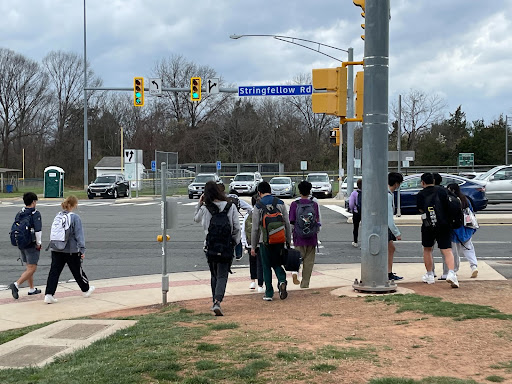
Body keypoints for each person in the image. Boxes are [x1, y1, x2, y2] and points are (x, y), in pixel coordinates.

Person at [194, 181, 241, 315]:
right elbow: (236, 227)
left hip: (210, 246)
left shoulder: (205, 208)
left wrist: (200, 203)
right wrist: (234, 242)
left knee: (214, 274)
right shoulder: (230, 206)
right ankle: (217, 301)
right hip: (226, 245)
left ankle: (214, 299)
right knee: (222, 274)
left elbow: (196, 219)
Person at [44, 196, 95, 303]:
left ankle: (49, 294)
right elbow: (79, 235)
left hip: (57, 248)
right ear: (74, 205)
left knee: (54, 271)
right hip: (71, 250)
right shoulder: (75, 217)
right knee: (77, 271)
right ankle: (85, 290)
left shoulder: (58, 216)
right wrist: (82, 249)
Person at [251, 181, 292, 301]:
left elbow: (255, 228)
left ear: (259, 192)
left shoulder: (258, 206)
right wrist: (288, 240)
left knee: (266, 265)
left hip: (265, 241)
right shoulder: (280, 203)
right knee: (277, 263)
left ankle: (269, 292)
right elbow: (287, 224)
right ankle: (282, 280)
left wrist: (253, 246)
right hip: (279, 239)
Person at [416, 173, 459, 288]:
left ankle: (430, 274)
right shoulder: (442, 191)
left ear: (423, 182)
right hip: (443, 223)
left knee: (427, 249)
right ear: (434, 181)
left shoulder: (421, 194)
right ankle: (451, 273)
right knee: (447, 250)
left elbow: (420, 209)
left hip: (428, 224)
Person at [8, 192, 42, 299]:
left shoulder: (20, 213)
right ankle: (16, 284)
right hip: (31, 243)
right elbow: (38, 231)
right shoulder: (35, 214)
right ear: (33, 202)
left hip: (21, 242)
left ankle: (32, 288)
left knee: (28, 266)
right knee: (32, 268)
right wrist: (39, 243)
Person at [289, 180, 321, 289]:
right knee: (308, 262)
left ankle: (294, 272)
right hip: (311, 238)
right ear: (309, 191)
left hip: (299, 237)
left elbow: (291, 221)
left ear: (299, 191)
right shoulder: (314, 204)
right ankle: (305, 284)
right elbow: (317, 220)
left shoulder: (294, 204)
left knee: (297, 258)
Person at [446, 183, 479, 278]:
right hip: (466, 228)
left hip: (455, 229)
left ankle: (454, 270)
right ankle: (474, 266)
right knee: (469, 248)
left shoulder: (451, 201)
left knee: (454, 252)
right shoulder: (465, 200)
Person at [218, 183, 252, 261]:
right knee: (237, 237)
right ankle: (238, 255)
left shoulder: (224, 199)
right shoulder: (238, 200)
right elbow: (249, 209)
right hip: (234, 220)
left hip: (224, 221)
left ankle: (226, 253)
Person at [242, 194, 264, 292]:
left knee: (252, 262)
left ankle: (253, 281)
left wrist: (245, 244)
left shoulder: (248, 214)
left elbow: (243, 230)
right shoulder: (263, 213)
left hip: (250, 243)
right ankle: (260, 285)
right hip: (261, 242)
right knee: (261, 263)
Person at [387, 172, 404, 281]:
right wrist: (396, 232)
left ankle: (388, 271)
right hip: (385, 228)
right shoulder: (388, 195)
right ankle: (388, 272)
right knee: (390, 249)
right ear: (396, 184)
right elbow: (388, 217)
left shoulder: (386, 193)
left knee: (390, 248)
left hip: (382, 226)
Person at [348, 178, 362, 247]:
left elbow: (351, 203)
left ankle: (355, 241)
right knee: (365, 227)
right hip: (365, 213)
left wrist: (352, 209)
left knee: (356, 227)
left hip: (356, 212)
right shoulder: (367, 192)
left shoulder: (354, 193)